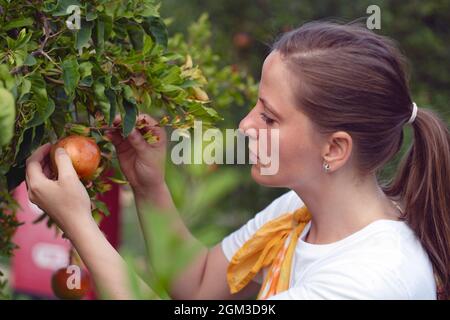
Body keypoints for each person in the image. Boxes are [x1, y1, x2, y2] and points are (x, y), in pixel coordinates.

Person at [25, 21, 449, 300]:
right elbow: (201, 284)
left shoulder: (368, 282)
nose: (245, 126)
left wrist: (79, 221)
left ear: (334, 149)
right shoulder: (301, 213)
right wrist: (149, 183)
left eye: (269, 116)